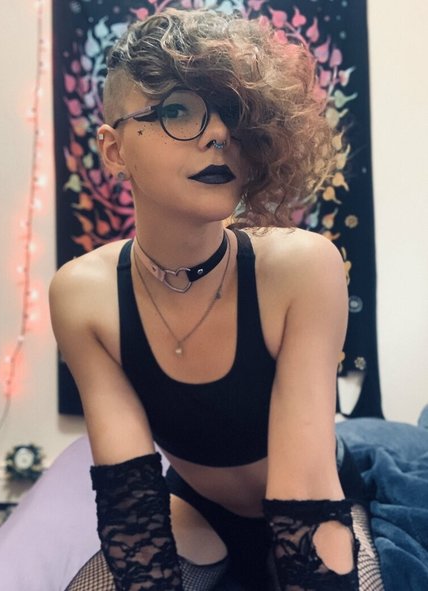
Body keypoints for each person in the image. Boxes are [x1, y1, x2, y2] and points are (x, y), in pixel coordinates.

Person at [49, 8, 384, 591]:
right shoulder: (82, 294)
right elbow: (131, 500)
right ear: (114, 148)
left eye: (234, 112)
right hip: (198, 513)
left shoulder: (303, 266)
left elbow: (305, 494)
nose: (219, 135)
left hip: (316, 499)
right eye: (177, 110)